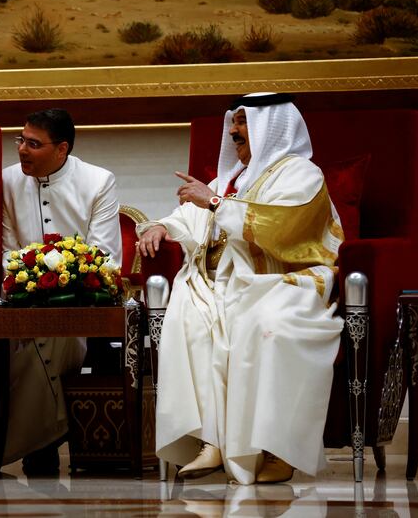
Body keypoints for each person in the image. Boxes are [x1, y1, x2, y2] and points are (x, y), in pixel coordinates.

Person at [137, 93, 343, 485]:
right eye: (233, 122)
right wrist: (161, 226)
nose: (233, 131)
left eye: (243, 122)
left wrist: (214, 202)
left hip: (282, 280)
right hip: (224, 280)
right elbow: (190, 215)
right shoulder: (231, 178)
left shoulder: (300, 174)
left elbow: (282, 230)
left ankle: (277, 450)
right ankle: (211, 441)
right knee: (194, 319)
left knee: (264, 324)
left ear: (273, 126)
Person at [0, 108, 122, 474]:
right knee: (36, 332)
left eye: (34, 144)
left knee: (52, 333)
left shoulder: (98, 181)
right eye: (20, 140)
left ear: (62, 149)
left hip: (81, 305)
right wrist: (27, 277)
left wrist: (67, 278)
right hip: (19, 301)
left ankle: (26, 442)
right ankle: (47, 436)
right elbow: (4, 248)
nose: (22, 150)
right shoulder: (6, 181)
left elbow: (106, 255)